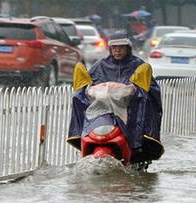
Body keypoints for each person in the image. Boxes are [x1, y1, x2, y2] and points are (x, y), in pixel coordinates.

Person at [67, 31, 164, 163]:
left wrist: (135, 93)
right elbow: (86, 88)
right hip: (103, 115)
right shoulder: (100, 66)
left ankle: (138, 149)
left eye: (121, 47)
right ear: (110, 49)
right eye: (114, 48)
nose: (117, 51)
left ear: (127, 48)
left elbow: (151, 92)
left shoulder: (139, 66)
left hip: (129, 114)